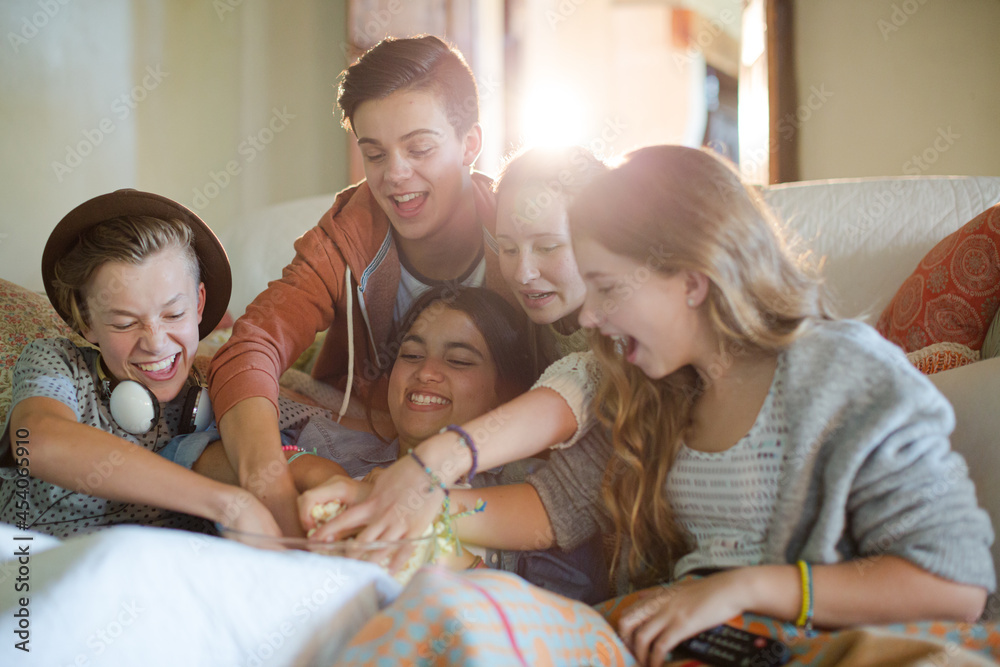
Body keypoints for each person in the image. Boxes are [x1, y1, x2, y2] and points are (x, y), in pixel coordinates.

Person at [314, 146, 995, 665]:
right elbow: (557, 507)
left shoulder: (843, 373)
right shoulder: (649, 385)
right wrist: (395, 503)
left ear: (691, 280)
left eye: (608, 289)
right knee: (448, 608)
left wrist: (743, 588)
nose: (597, 318)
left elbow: (955, 585)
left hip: (813, 639)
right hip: (668, 636)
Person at [208, 35, 516, 535]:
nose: (395, 175)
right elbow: (255, 344)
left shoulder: (519, 237)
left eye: (419, 148)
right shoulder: (348, 232)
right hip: (361, 431)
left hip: (487, 451)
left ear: (470, 145)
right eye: (375, 154)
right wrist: (273, 495)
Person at [0, 190, 279, 538]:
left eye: (174, 314)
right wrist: (225, 503)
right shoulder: (59, 364)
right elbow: (35, 441)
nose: (155, 342)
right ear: (86, 321)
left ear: (199, 304)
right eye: (124, 323)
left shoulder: (221, 382)